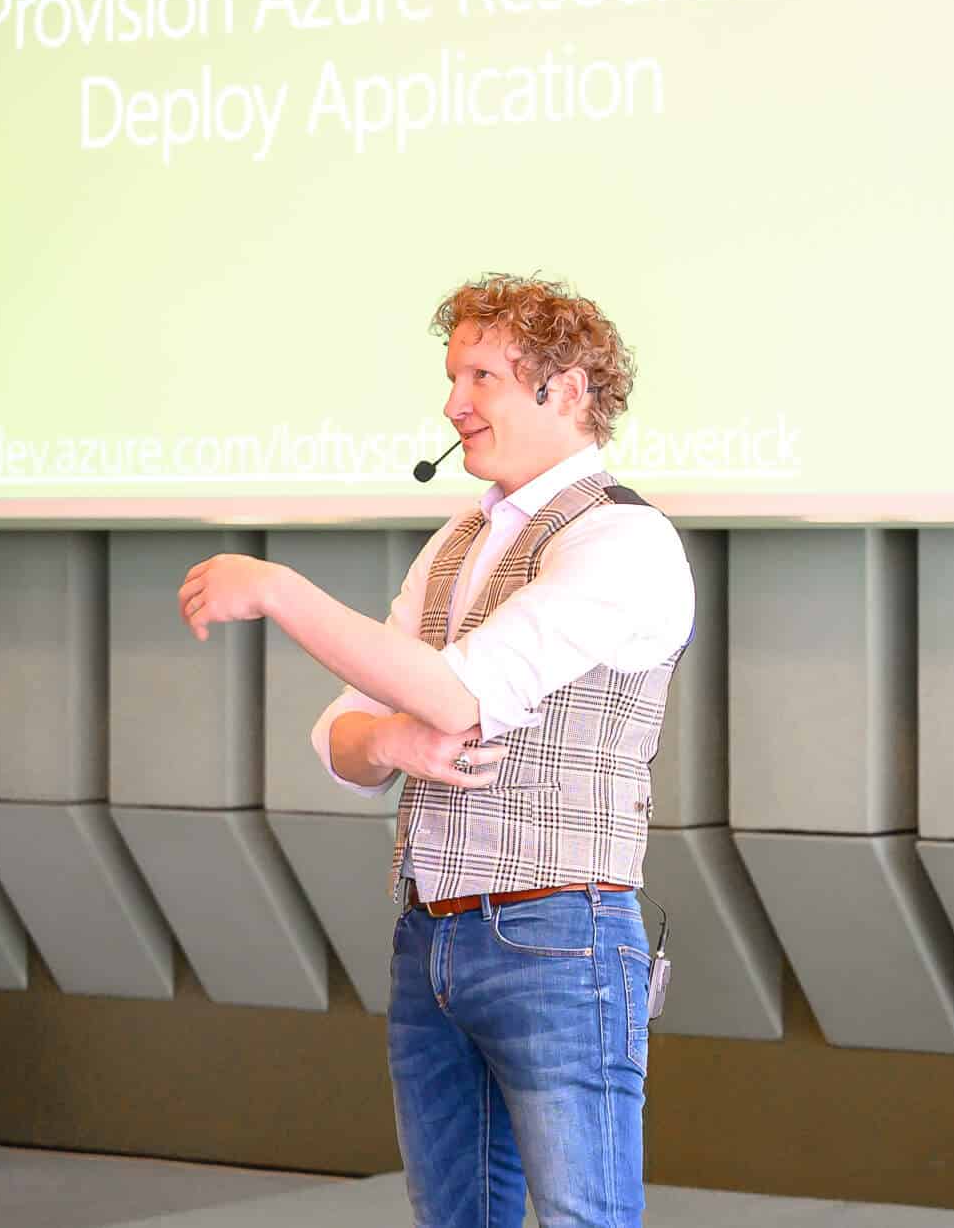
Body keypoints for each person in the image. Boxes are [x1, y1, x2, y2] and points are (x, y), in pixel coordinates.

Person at [177, 275, 693, 1228]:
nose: (453, 404)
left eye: (481, 377)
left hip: (562, 935)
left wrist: (281, 590)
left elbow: (461, 691)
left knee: (586, 1219)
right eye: (453, 376)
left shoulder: (626, 539)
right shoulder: (457, 540)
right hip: (431, 937)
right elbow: (340, 738)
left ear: (567, 389)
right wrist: (393, 738)